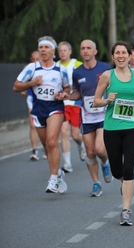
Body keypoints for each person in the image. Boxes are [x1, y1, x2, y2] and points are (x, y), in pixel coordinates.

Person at [93, 41, 134, 226]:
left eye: (124, 52)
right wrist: (106, 100)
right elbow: (95, 101)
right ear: (113, 57)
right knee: (118, 169)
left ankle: (126, 210)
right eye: (117, 53)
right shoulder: (106, 76)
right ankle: (122, 181)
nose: (120, 55)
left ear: (129, 56)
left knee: (129, 169)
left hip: (133, 127)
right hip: (112, 128)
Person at [13, 36, 69, 194]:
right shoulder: (32, 68)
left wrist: (63, 94)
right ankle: (58, 174)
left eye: (46, 47)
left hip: (55, 107)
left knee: (52, 142)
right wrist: (31, 83)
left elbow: (67, 87)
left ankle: (52, 180)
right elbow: (16, 86)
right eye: (41, 47)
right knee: (46, 146)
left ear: (53, 51)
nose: (43, 50)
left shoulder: (60, 69)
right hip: (39, 108)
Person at [67, 39, 113, 197]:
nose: (85, 51)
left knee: (100, 149)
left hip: (103, 115)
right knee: (91, 152)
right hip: (86, 117)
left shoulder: (105, 69)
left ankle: (106, 163)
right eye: (83, 48)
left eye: (89, 48)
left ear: (95, 52)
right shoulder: (77, 72)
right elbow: (77, 93)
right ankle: (96, 183)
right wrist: (66, 96)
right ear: (80, 52)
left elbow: (114, 87)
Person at [57, 41, 86, 173]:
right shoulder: (56, 66)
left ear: (70, 51)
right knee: (64, 132)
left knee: (75, 135)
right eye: (60, 51)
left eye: (65, 50)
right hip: (61, 104)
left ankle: (81, 145)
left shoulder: (77, 64)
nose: (62, 52)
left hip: (75, 103)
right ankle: (67, 163)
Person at [20, 50, 41, 161]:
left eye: (37, 59)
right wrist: (23, 90)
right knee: (33, 125)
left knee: (45, 126)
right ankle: (34, 150)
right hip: (32, 100)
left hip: (45, 101)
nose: (35, 61)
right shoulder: (27, 69)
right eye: (33, 59)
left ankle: (48, 148)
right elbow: (21, 84)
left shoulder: (48, 69)